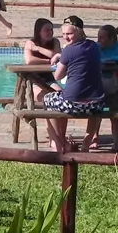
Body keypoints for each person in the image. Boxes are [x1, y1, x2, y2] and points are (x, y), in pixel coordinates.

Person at [43, 23, 106, 152]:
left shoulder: (68, 50)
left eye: (69, 34)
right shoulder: (94, 46)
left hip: (73, 104)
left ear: (79, 32)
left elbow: (58, 76)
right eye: (64, 34)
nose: (66, 37)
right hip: (96, 105)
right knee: (98, 102)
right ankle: (87, 142)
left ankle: (58, 141)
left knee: (47, 99)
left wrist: (62, 59)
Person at [23, 18, 61, 102]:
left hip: (49, 79)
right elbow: (29, 61)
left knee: (61, 96)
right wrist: (48, 61)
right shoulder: (30, 43)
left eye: (51, 30)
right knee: (43, 98)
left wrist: (37, 48)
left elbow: (57, 56)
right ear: (39, 32)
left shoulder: (55, 42)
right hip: (33, 81)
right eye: (47, 30)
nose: (50, 32)